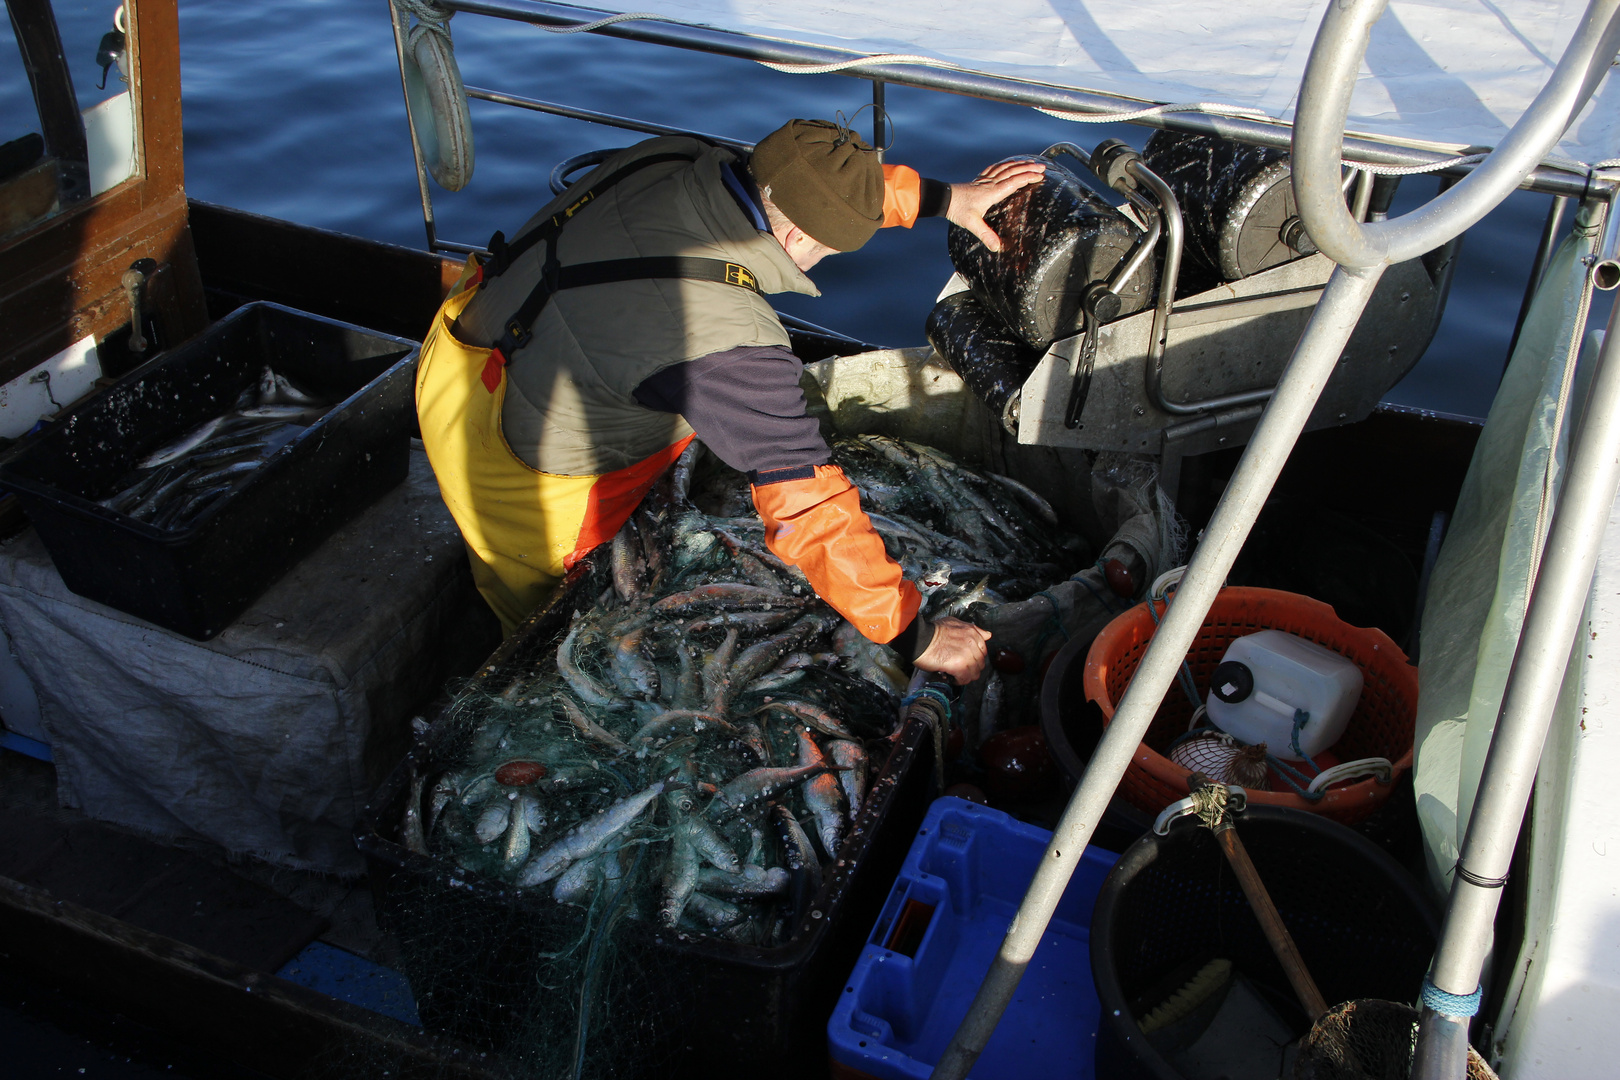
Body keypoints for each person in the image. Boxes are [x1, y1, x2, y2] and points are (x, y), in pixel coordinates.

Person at [416, 118, 1043, 683]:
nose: (822, 264)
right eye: (826, 251)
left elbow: (824, 186)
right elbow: (808, 508)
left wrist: (950, 200)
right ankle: (518, 677)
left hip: (461, 356)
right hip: (516, 466)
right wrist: (916, 632)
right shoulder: (725, 340)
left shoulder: (679, 157)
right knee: (551, 623)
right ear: (796, 234)